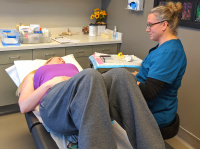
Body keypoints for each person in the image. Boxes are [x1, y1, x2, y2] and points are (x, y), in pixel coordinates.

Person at [18, 56, 165, 149]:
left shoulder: (80, 73)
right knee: (90, 74)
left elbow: (89, 82)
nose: (62, 60)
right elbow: (24, 106)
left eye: (64, 59)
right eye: (57, 58)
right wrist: (49, 83)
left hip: (85, 101)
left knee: (121, 74)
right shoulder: (36, 73)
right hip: (56, 106)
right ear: (47, 63)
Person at [133, 2, 187, 128]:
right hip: (146, 106)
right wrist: (136, 75)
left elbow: (150, 92)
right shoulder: (162, 47)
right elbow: (150, 75)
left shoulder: (170, 52)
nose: (147, 29)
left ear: (164, 25)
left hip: (155, 113)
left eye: (150, 25)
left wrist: (126, 79)